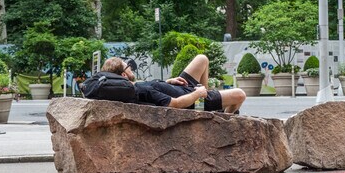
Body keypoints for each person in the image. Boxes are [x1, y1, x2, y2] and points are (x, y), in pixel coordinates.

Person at [100, 55, 246, 114]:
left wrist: (168, 82)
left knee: (202, 59)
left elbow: (156, 88)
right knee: (240, 94)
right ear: (124, 75)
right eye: (129, 67)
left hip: (181, 88)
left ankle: (207, 110)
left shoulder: (134, 87)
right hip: (191, 99)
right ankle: (223, 118)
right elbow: (174, 104)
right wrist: (199, 94)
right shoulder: (139, 90)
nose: (131, 67)